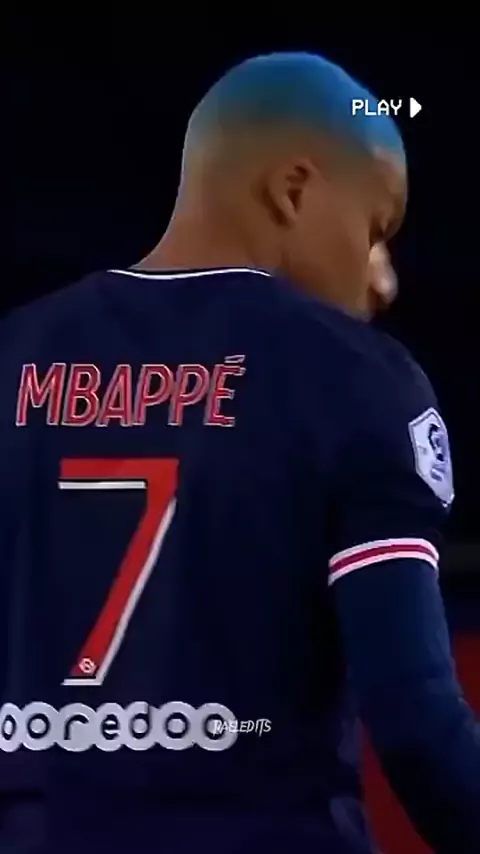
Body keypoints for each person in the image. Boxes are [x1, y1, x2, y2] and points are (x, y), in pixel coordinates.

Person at [1, 51, 479, 854]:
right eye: (376, 230)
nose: (385, 279)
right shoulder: (354, 377)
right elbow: (416, 721)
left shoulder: (13, 357)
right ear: (293, 188)